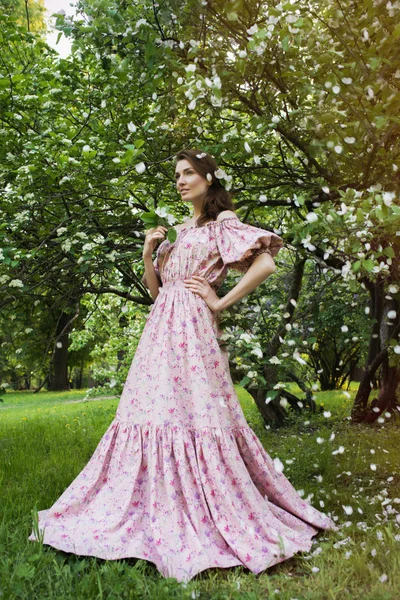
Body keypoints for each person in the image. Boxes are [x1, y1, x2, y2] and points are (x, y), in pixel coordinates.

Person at [29, 149, 337, 582]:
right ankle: (149, 506)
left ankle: (208, 506)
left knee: (197, 415)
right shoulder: (179, 230)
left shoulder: (222, 224)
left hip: (193, 331)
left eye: (188, 173)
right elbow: (158, 292)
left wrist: (220, 300)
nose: (180, 180)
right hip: (160, 332)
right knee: (151, 414)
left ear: (209, 178)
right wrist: (148, 253)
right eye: (176, 174)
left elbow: (265, 262)